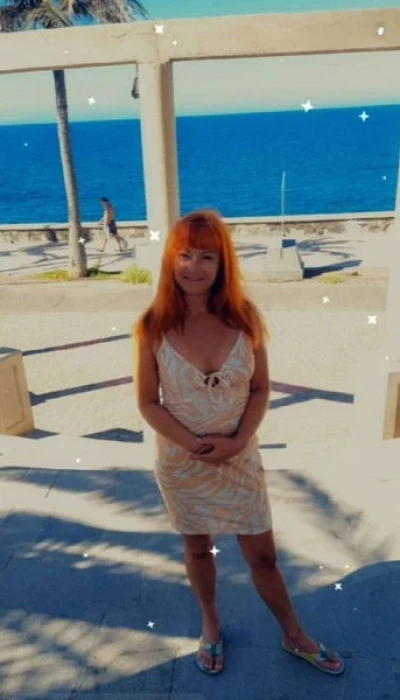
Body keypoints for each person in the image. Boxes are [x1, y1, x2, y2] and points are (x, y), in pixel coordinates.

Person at [132, 209, 345, 677]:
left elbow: (261, 389)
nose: (194, 266)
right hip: (182, 463)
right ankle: (211, 623)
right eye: (185, 255)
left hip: (240, 458)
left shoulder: (245, 317)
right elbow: (147, 402)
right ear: (170, 260)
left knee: (263, 557)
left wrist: (238, 440)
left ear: (223, 263)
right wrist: (194, 444)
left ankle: (294, 633)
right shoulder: (152, 325)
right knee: (198, 549)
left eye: (207, 256)